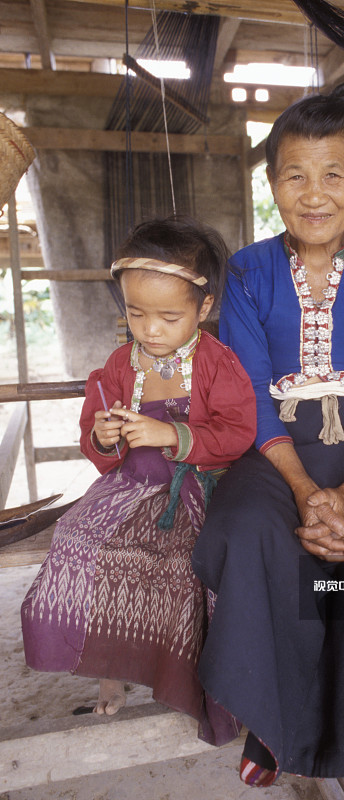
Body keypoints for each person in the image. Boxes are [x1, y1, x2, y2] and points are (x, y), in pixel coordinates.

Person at [191, 83, 344, 798]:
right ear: (270, 182)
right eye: (294, 174)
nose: (314, 193)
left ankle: (339, 737)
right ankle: (275, 719)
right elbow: (247, 396)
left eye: (333, 174)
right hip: (275, 455)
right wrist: (304, 494)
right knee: (246, 533)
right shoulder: (246, 273)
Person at [21, 215, 256, 743]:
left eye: (169, 316)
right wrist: (106, 437)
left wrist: (171, 434)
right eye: (136, 313)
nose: (150, 329)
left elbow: (238, 433)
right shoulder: (119, 365)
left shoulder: (219, 365)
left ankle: (182, 678)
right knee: (82, 542)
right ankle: (111, 672)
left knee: (179, 563)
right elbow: (95, 436)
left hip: (195, 488)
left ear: (205, 307)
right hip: (130, 485)